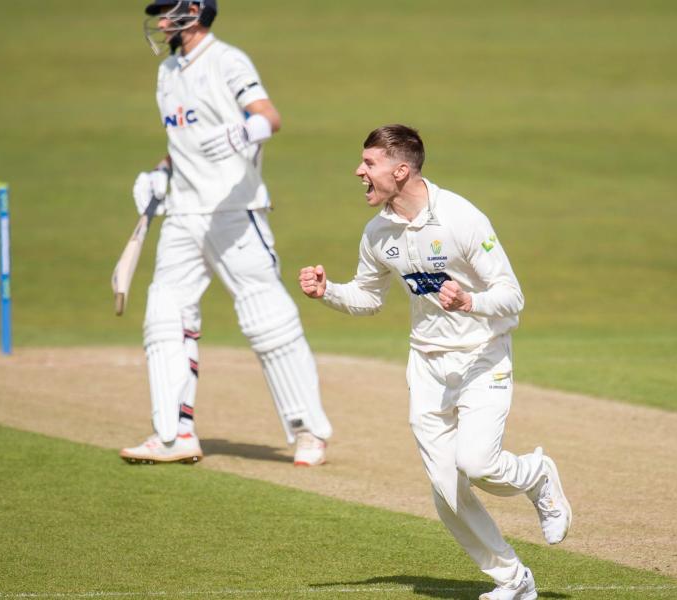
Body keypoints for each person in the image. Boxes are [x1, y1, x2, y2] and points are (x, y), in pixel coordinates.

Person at [298, 125, 571, 600]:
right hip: (426, 365)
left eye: (369, 163)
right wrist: (329, 293)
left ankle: (537, 475)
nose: (359, 171)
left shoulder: (462, 219)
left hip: (482, 358)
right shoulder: (378, 232)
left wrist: (470, 302)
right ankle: (514, 580)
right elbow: (367, 298)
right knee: (447, 490)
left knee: (478, 464)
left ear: (400, 170)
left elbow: (512, 295)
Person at [120, 0, 332, 467]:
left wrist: (243, 133)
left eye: (166, 11)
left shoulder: (227, 59)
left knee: (265, 318)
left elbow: (268, 116)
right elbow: (184, 142)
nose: (158, 22)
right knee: (163, 317)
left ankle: (309, 432)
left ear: (193, 11)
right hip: (183, 213)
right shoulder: (168, 71)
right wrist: (160, 174)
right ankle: (174, 434)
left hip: (235, 211)